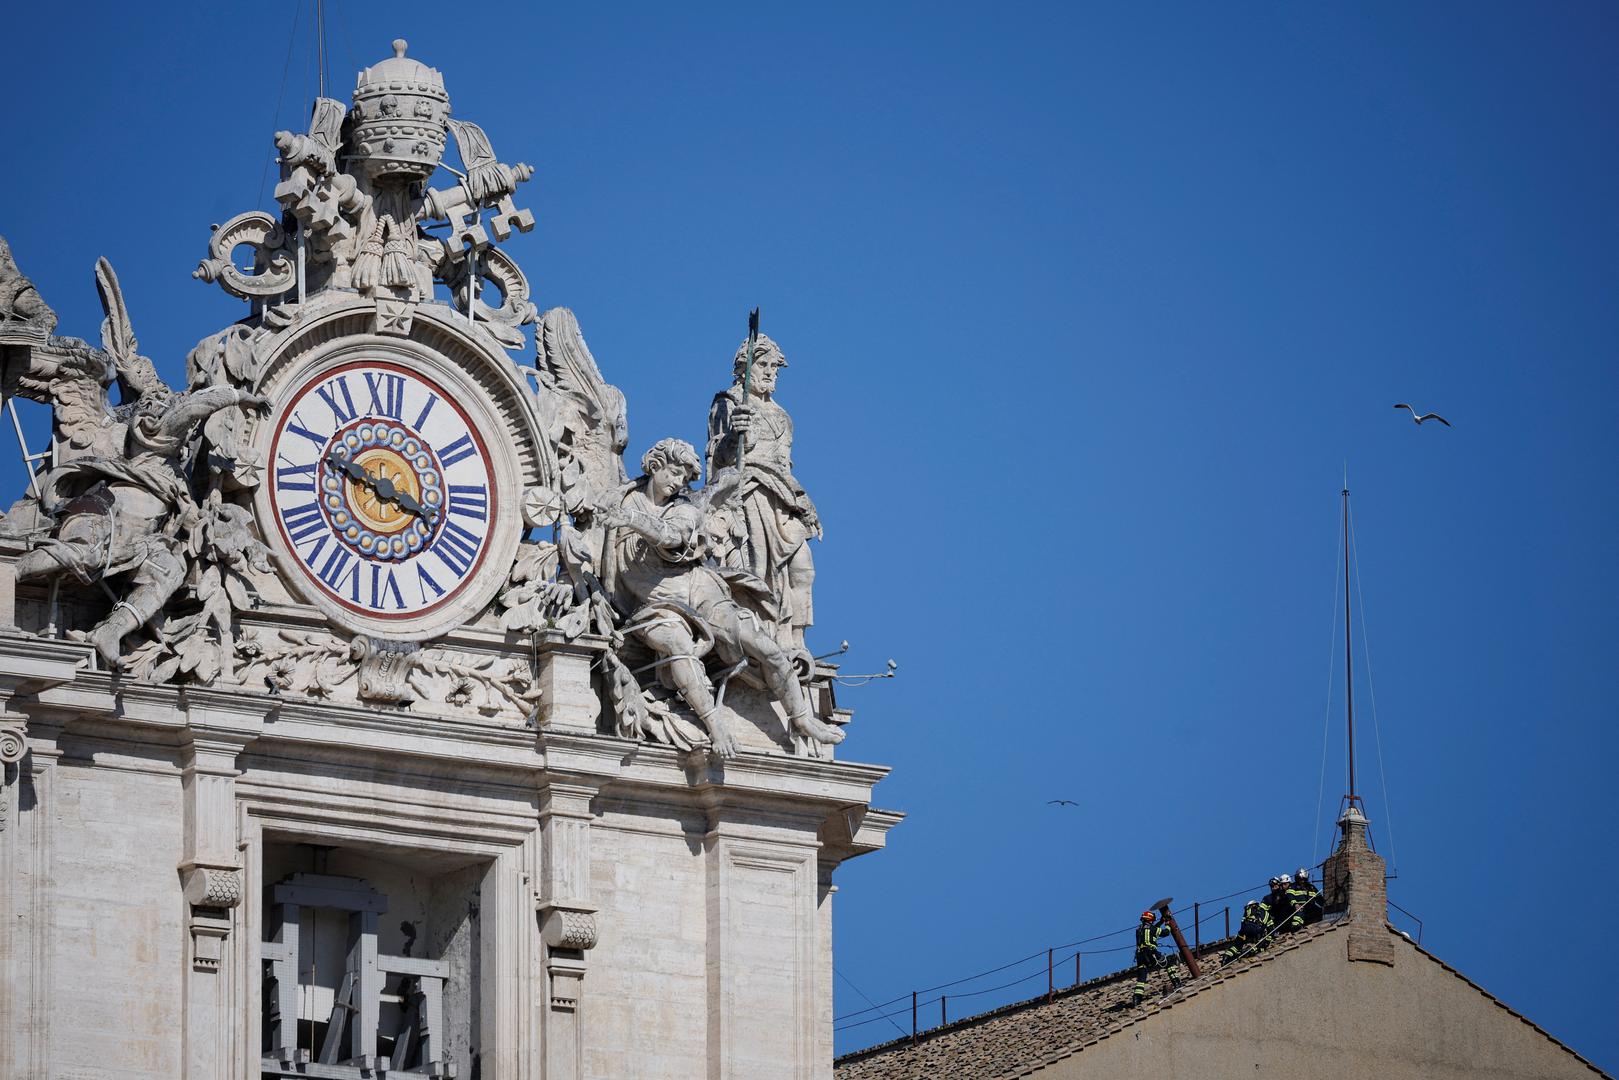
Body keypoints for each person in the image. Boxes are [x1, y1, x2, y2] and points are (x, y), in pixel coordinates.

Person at [597, 438, 844, 758]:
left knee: (762, 643)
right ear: (656, 466)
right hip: (653, 604)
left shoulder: (682, 507)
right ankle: (715, 726)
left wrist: (633, 521)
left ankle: (801, 718)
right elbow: (586, 549)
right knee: (677, 647)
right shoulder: (618, 499)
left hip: (699, 589)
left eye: (684, 479)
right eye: (673, 473)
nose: (676, 483)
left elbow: (673, 536)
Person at [706, 333, 820, 652]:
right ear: (744, 368)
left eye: (775, 367)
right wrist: (733, 436)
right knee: (753, 570)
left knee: (802, 568)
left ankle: (796, 642)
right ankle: (755, 632)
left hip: (782, 500)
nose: (770, 372)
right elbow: (717, 459)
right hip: (749, 495)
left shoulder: (784, 417)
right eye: (763, 365)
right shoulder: (728, 402)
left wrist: (803, 502)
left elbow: (785, 467)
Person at [1131, 910, 1181, 1005]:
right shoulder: (1153, 929)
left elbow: (1153, 929)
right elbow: (1165, 932)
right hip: (1151, 952)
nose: (1153, 922)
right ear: (1150, 920)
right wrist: (1167, 924)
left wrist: (1161, 922)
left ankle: (1136, 999)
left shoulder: (1139, 929)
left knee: (1141, 978)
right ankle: (1177, 983)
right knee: (1168, 963)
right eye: (1152, 920)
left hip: (1140, 956)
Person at [1221, 900, 1273, 964]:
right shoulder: (1266, 913)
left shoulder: (1247, 909)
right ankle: (1251, 951)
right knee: (1263, 940)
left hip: (1245, 928)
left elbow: (1243, 922)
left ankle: (1227, 956)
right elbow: (1271, 929)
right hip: (1256, 928)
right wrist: (1267, 942)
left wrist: (1243, 934)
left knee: (1237, 944)